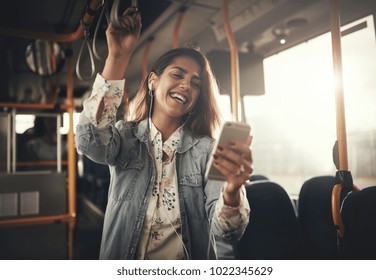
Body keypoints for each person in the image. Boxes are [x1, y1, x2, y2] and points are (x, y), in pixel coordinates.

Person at [75, 6, 253, 260]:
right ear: (152, 81)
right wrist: (118, 57)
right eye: (177, 75)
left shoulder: (207, 151)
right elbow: (89, 141)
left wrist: (232, 192)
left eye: (195, 83)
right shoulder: (126, 138)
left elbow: (227, 233)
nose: (186, 85)